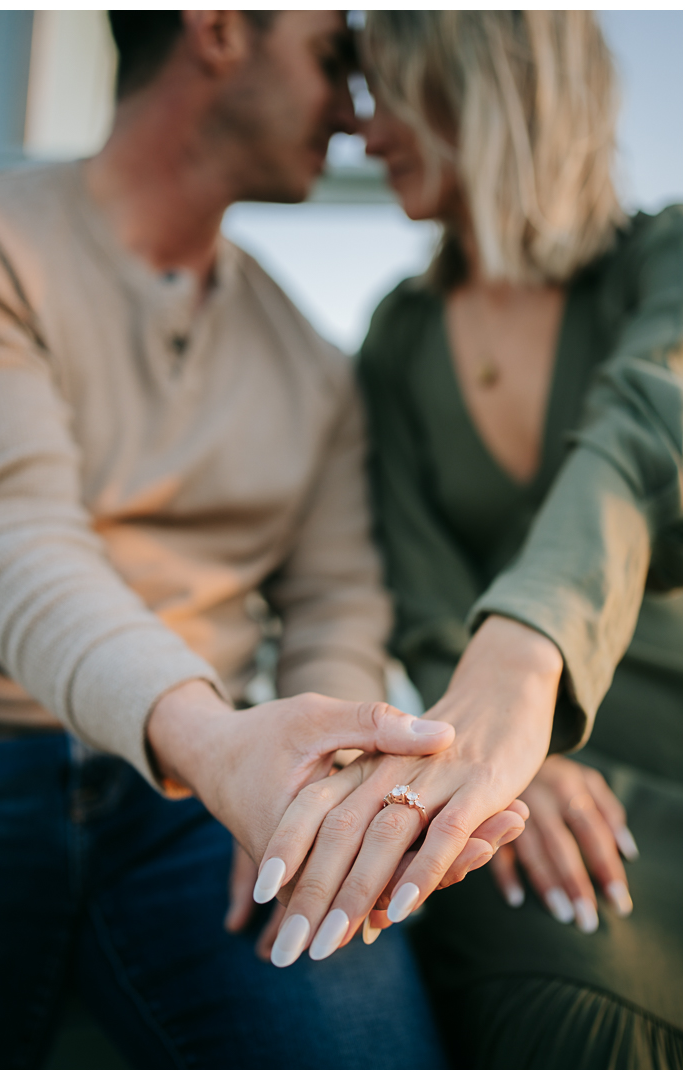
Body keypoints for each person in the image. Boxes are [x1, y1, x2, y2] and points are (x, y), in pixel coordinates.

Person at [0, 10, 528, 1069]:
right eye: (335, 59)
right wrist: (220, 747)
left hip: (199, 809)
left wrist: (317, 785)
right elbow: (9, 535)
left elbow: (337, 599)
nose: (356, 109)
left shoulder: (311, 362)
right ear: (221, 29)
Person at [354, 10, 682, 1070]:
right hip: (519, 780)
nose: (367, 133)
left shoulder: (667, 260)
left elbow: (644, 440)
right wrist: (504, 756)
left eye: (393, 95)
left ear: (485, 93)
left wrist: (522, 670)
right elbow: (420, 594)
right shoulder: (398, 339)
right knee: (568, 1013)